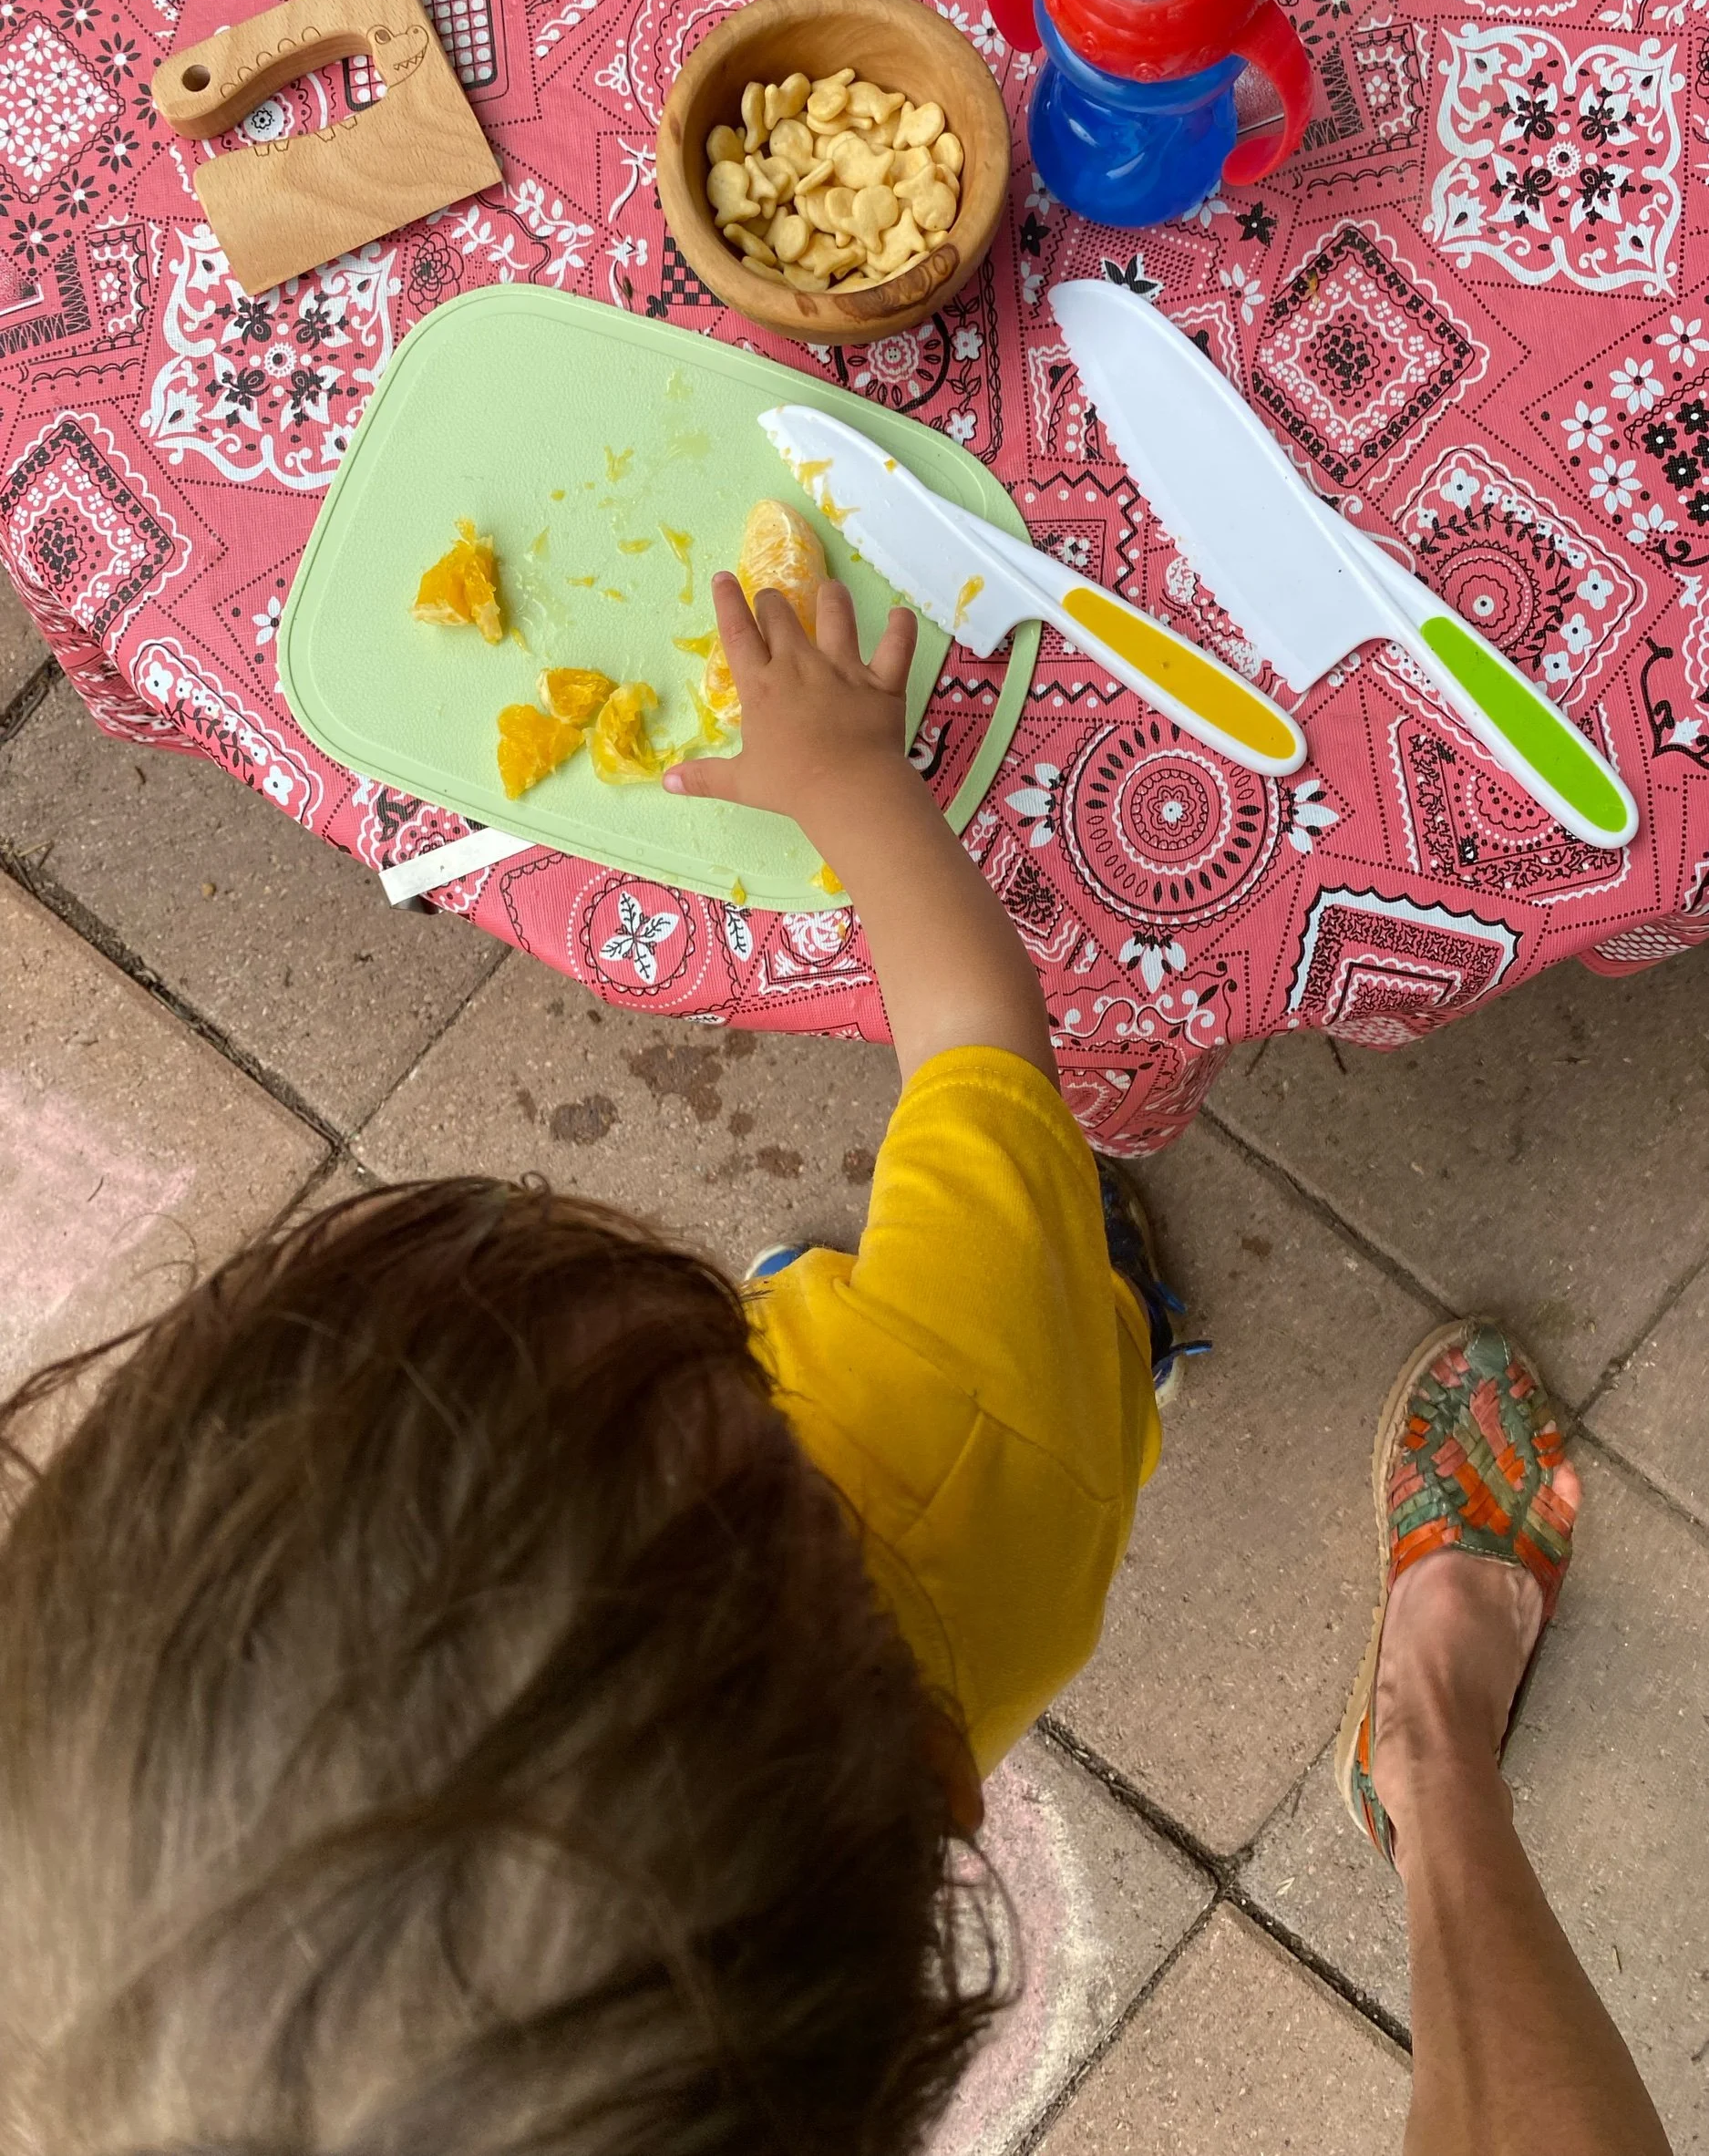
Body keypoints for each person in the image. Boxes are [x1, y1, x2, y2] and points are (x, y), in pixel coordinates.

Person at [0, 573, 1669, 2156]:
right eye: (676, 1385)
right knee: (1033, 1279)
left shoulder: (846, 1770)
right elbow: (980, 1041)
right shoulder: (953, 1396)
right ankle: (1204, 1444)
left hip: (949, 1635)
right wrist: (851, 785)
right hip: (993, 1404)